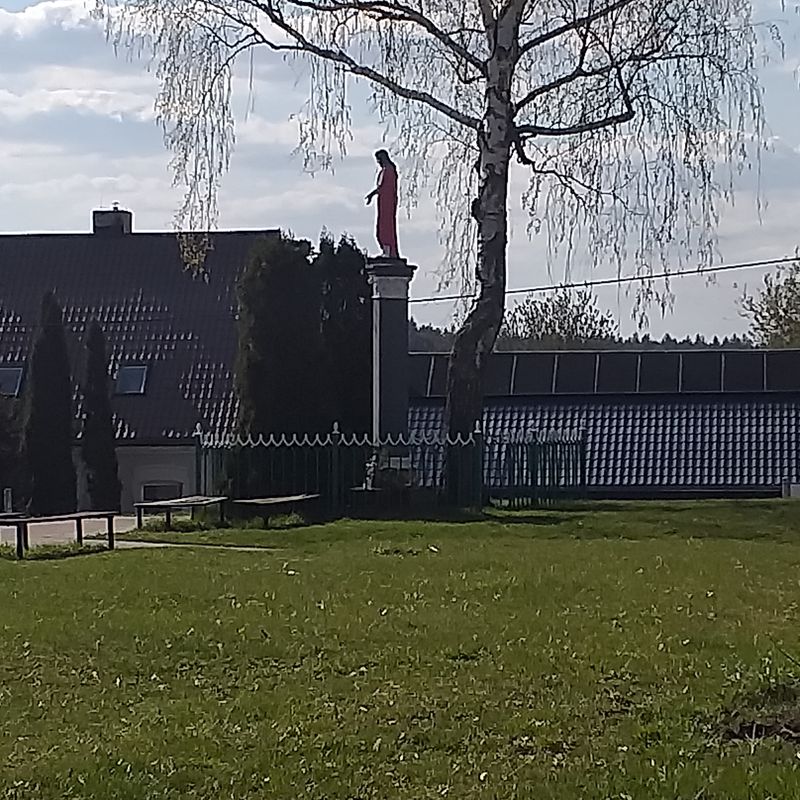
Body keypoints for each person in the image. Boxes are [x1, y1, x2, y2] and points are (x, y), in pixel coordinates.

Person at [365, 149, 399, 258]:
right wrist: (372, 194)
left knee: (386, 226)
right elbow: (381, 188)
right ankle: (386, 250)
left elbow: (385, 188)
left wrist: (372, 194)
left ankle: (388, 251)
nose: (378, 162)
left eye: (378, 160)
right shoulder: (385, 170)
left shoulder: (389, 170)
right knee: (382, 225)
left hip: (387, 203)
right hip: (383, 202)